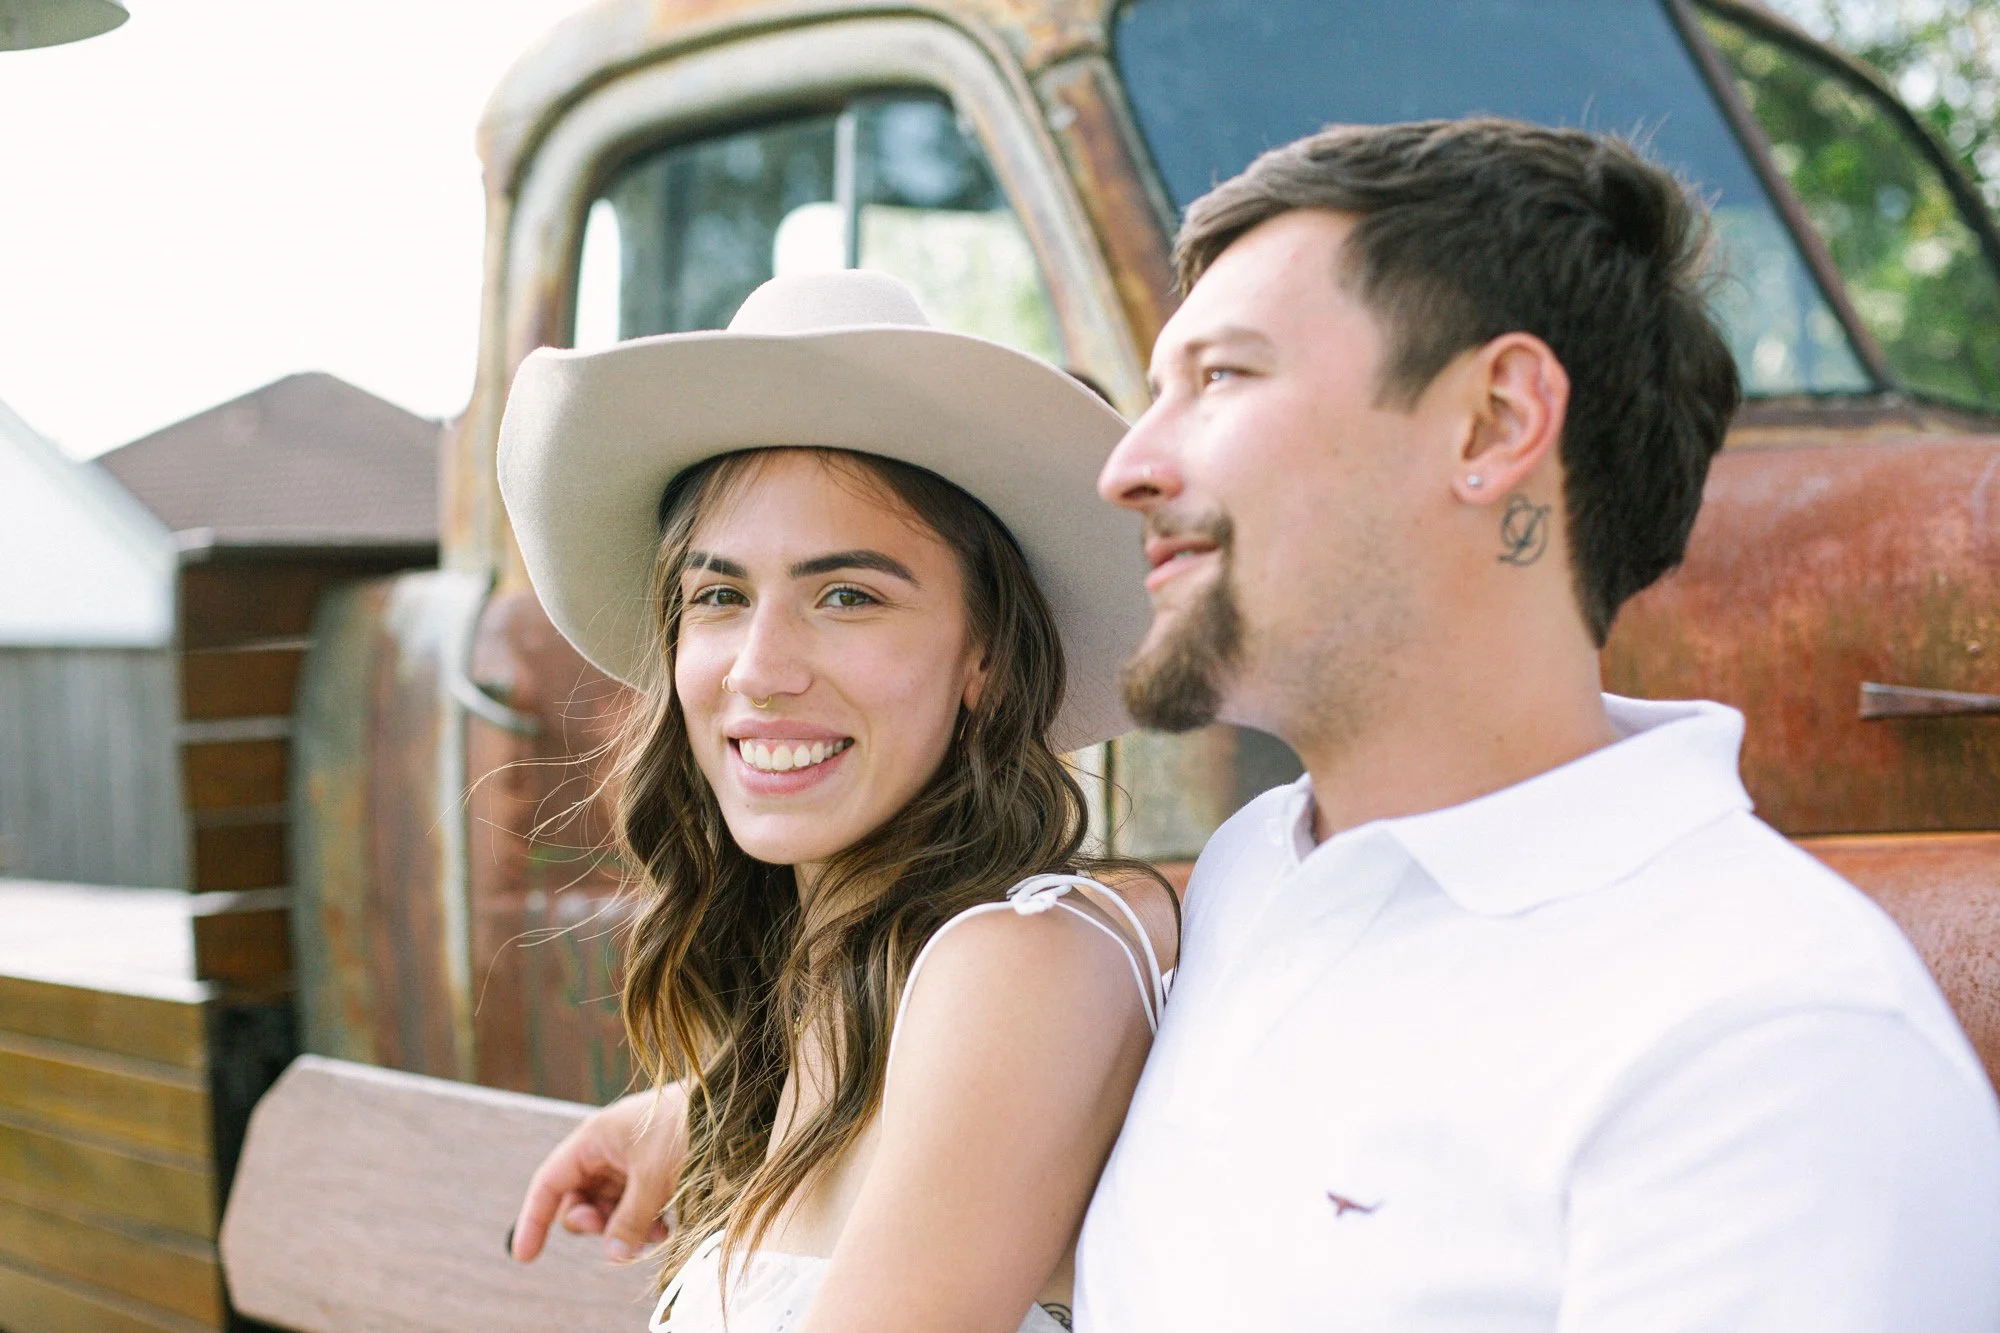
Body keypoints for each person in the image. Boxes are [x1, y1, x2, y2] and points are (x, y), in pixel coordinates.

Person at [519, 118, 2000, 1330]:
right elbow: (1012, 1004)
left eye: (1219, 378)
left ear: (1493, 427)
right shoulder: (1255, 890)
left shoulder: (1766, 1052)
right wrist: (720, 1101)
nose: (1127, 471)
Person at [496, 268, 1177, 1333]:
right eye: (718, 596)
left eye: (847, 596)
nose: (759, 668)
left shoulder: (1020, 961)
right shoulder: (828, 1005)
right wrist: (714, 1104)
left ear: (985, 656)